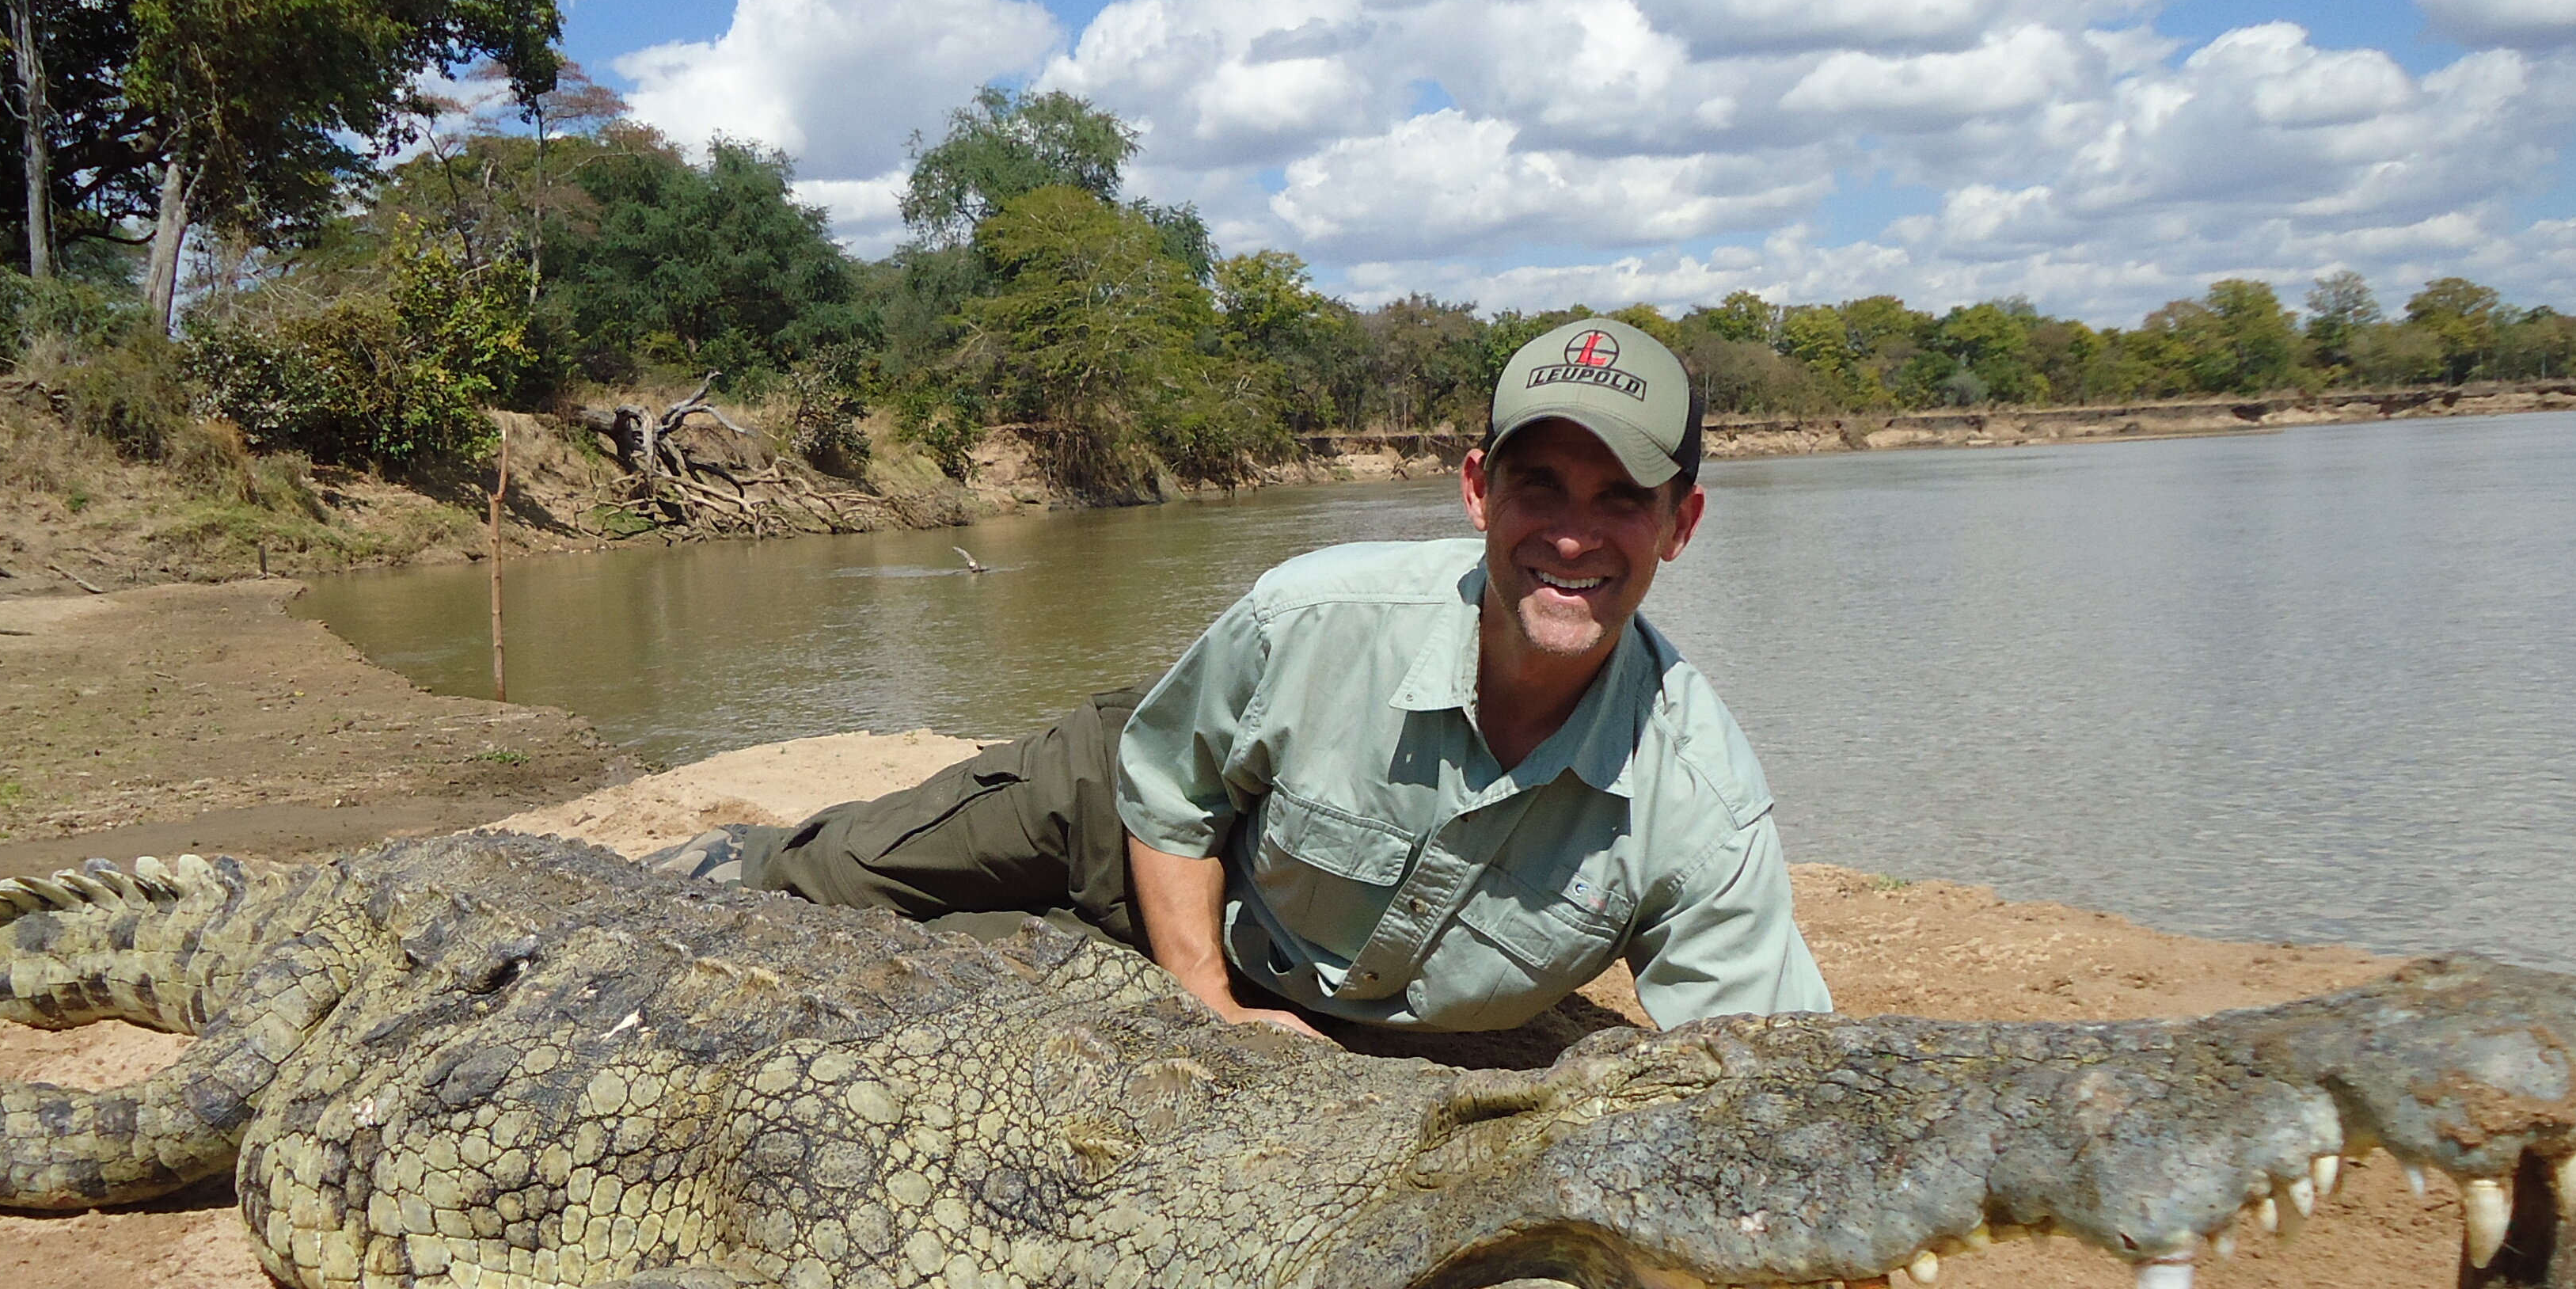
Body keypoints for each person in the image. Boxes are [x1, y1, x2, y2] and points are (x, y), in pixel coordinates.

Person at [694, 316, 1829, 1040]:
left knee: (935, 977)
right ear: (1479, 491)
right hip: (1127, 804)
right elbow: (1170, 786)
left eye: (1621, 498)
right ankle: (720, 862)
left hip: (1321, 974)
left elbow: (1771, 1077)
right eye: (1542, 488)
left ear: (1680, 523)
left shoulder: (1702, 799)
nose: (1573, 538)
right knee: (831, 883)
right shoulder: (1313, 613)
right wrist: (1212, 1014)